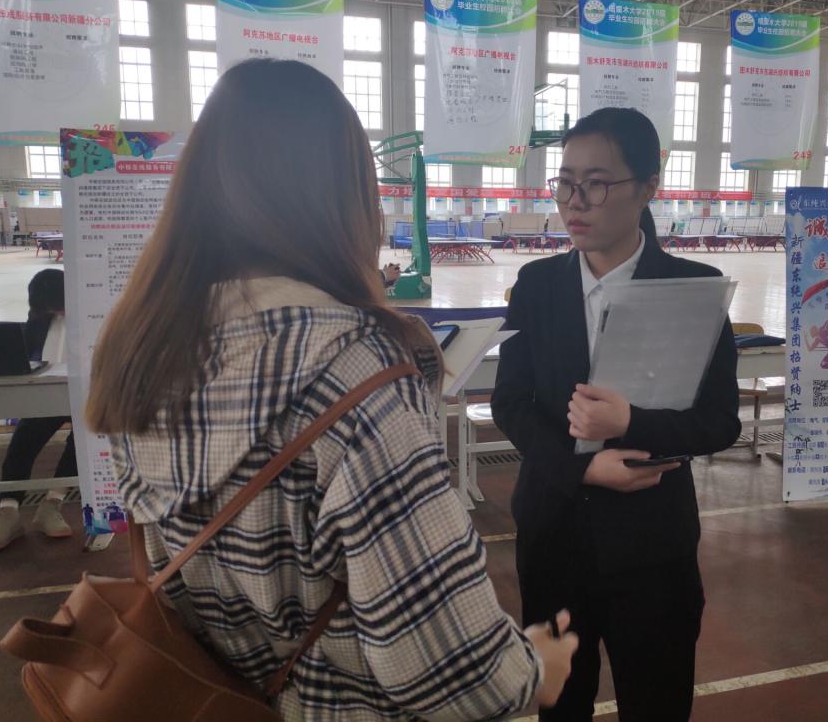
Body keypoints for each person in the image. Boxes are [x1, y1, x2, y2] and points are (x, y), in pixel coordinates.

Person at [85, 59, 577, 721]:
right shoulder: (353, 371)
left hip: (214, 701)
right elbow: (447, 670)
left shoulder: (141, 349)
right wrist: (536, 668)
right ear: (343, 199)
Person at [491, 108, 742, 721]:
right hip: (553, 540)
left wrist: (631, 423)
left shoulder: (693, 289)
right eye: (565, 182)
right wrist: (581, 468)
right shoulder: (537, 286)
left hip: (652, 546)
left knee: (656, 702)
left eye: (597, 184)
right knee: (559, 704)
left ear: (649, 187)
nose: (575, 202)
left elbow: (719, 421)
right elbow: (510, 402)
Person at [0, 269, 76, 554]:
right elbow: (23, 352)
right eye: (49, 310)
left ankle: (52, 504)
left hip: (85, 393)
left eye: (58, 307)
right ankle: (8, 511)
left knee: (82, 444)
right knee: (22, 443)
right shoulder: (38, 320)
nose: (56, 313)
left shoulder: (91, 315)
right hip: (47, 393)